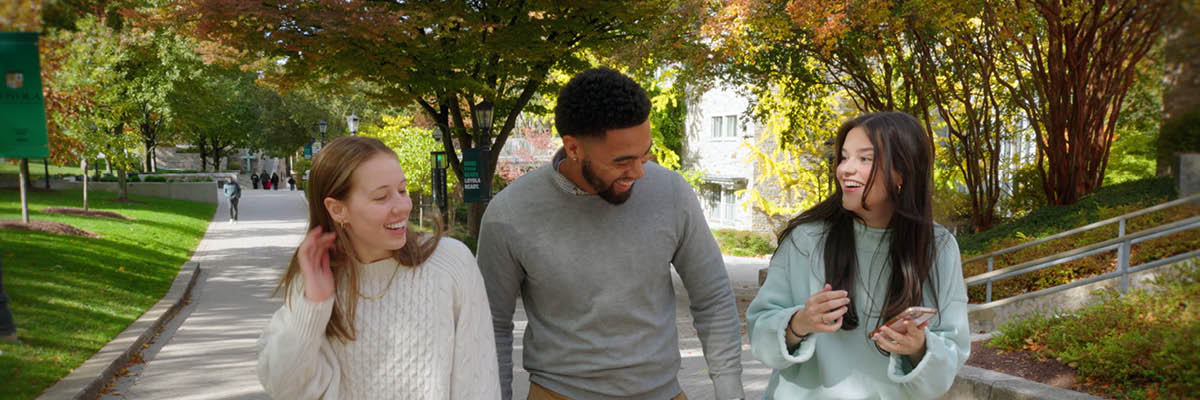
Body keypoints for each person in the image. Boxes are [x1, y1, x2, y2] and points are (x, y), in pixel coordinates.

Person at [477, 67, 745, 400]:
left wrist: (731, 391)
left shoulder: (672, 192)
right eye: (622, 161)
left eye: (645, 154)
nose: (639, 172)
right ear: (574, 148)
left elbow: (713, 297)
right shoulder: (508, 214)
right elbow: (492, 326)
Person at [746, 112, 970, 399]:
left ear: (901, 172)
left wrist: (919, 347)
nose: (845, 170)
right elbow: (759, 330)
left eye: (865, 159)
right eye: (844, 157)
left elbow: (952, 353)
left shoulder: (938, 247)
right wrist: (798, 323)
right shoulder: (806, 239)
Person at [257, 136, 500, 399]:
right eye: (382, 197)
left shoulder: (450, 263)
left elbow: (479, 382)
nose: (403, 206)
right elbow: (284, 387)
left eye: (403, 190)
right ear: (337, 209)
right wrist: (314, 305)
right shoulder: (317, 279)